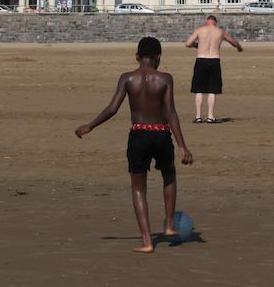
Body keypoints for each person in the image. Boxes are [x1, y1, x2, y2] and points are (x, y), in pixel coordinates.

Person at [75, 37, 192, 254]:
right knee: (169, 175)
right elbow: (170, 112)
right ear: (158, 57)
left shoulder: (127, 78)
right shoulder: (165, 78)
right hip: (161, 134)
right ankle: (168, 225)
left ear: (137, 56)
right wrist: (182, 145)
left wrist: (90, 126)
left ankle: (147, 241)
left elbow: (112, 108)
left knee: (139, 188)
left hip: (138, 135)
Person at [185, 15, 243, 123]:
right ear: (215, 22)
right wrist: (239, 47)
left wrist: (196, 46)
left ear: (207, 21)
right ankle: (210, 116)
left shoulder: (200, 30)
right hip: (214, 60)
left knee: (199, 90)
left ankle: (198, 116)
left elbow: (188, 43)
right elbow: (233, 41)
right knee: (212, 90)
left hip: (201, 60)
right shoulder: (219, 31)